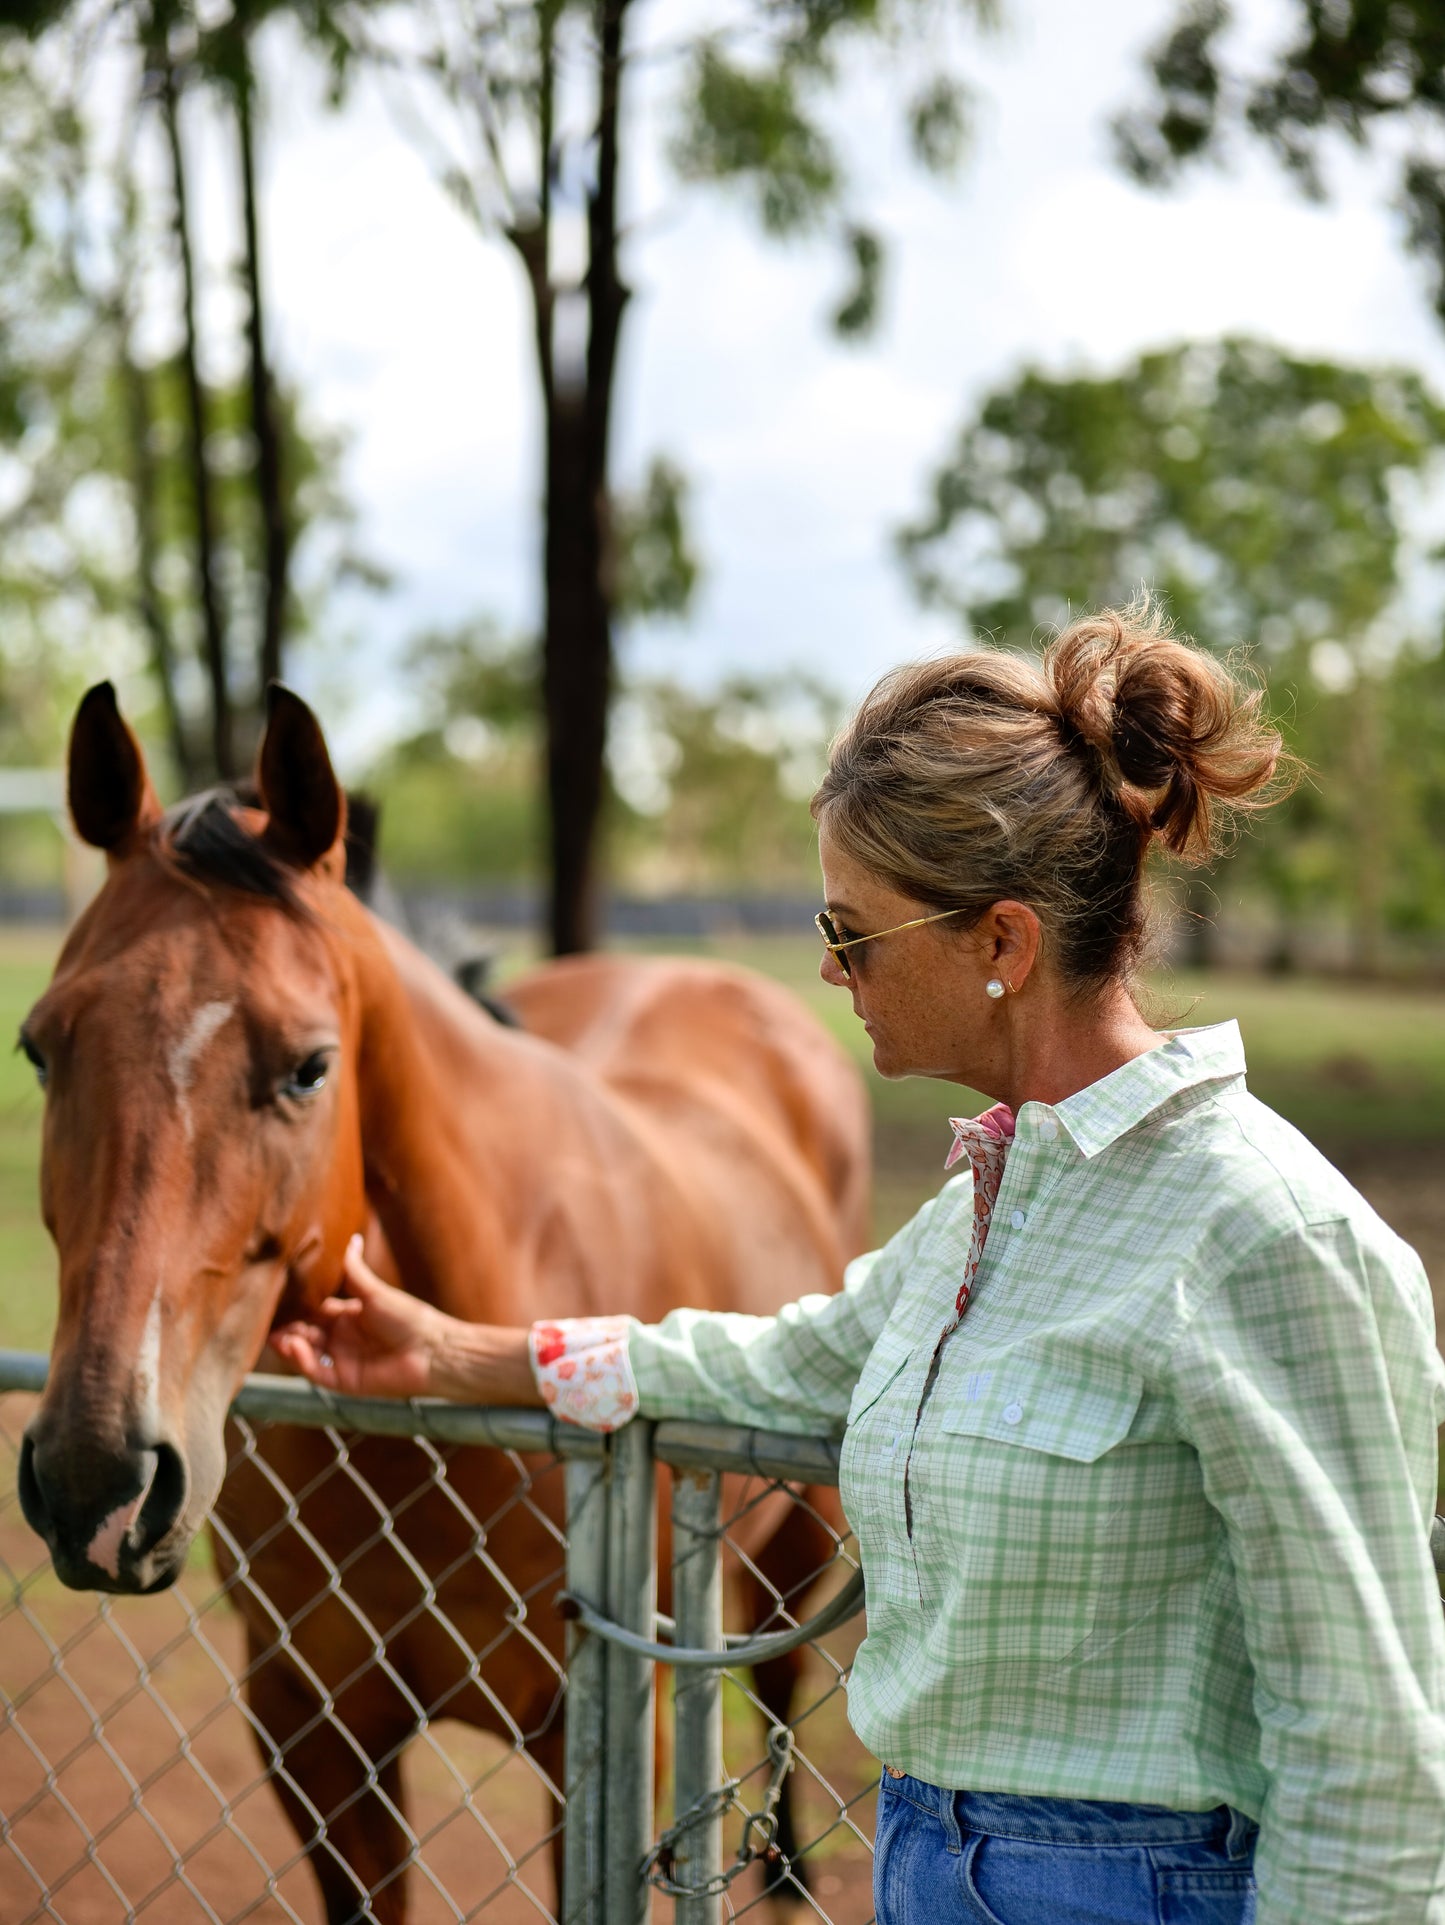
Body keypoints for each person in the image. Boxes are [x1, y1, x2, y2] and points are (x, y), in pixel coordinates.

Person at [272, 603, 1445, 1925]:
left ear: (999, 943)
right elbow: (774, 1362)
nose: (830, 973)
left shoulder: (1268, 1239)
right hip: (925, 1863)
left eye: (852, 934)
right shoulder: (983, 1215)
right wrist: (455, 1351)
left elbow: (1372, 1758)